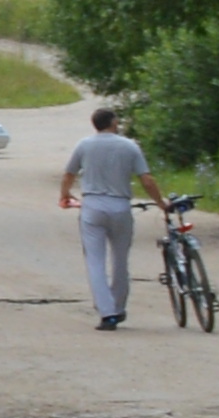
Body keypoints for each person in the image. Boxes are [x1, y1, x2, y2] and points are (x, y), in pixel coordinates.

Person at [57, 101, 157, 330]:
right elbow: (147, 179)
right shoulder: (129, 146)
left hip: (92, 206)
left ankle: (107, 313)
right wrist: (161, 203)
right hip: (120, 206)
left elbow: (68, 174)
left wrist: (65, 195)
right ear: (113, 123)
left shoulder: (84, 145)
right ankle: (119, 306)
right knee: (120, 260)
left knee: (95, 261)